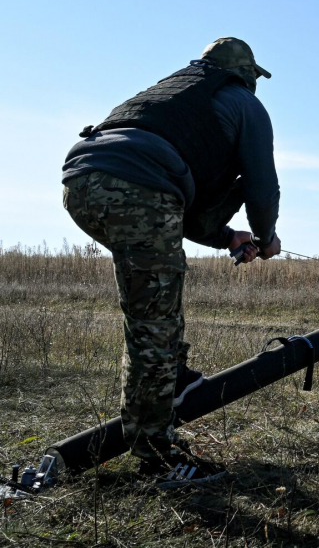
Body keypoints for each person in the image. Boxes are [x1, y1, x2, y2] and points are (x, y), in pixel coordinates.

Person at [61, 37, 281, 486]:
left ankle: (170, 379)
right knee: (153, 324)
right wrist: (265, 236)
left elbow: (174, 205)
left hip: (81, 183)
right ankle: (156, 456)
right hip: (136, 187)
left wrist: (227, 237)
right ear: (246, 73)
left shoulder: (171, 92)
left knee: (152, 310)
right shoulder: (243, 102)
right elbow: (262, 187)